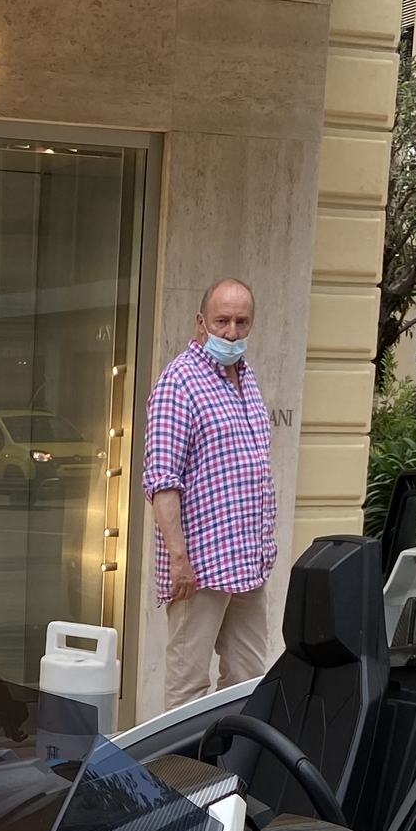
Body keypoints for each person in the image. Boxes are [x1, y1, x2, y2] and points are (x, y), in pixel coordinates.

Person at [142, 278, 277, 712]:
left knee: (250, 679)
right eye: (222, 321)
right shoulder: (179, 382)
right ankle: (181, 778)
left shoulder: (247, 379)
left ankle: (229, 771)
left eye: (241, 322)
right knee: (188, 687)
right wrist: (179, 561)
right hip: (198, 569)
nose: (232, 332)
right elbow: (162, 481)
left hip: (246, 565)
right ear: (201, 323)